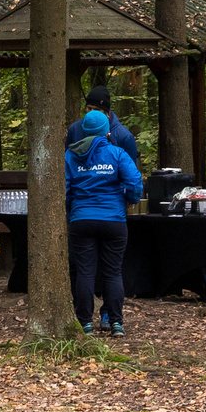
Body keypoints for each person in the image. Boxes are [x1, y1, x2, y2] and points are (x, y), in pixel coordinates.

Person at [63, 104, 144, 336]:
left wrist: (74, 210)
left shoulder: (71, 155)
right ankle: (116, 322)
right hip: (114, 221)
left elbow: (66, 189)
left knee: (85, 272)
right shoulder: (117, 153)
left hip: (81, 220)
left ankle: (85, 323)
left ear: (85, 131)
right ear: (106, 131)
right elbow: (135, 182)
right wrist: (131, 199)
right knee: (113, 272)